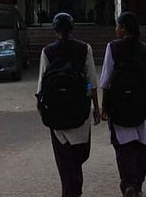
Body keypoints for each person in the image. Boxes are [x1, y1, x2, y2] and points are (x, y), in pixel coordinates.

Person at [37, 12, 101, 197]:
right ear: (72, 28)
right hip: (80, 109)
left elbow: (42, 83)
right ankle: (75, 189)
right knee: (79, 155)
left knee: (63, 158)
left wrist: (41, 108)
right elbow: (91, 81)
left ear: (55, 30)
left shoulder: (48, 51)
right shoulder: (84, 49)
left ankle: (70, 190)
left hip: (56, 112)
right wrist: (95, 107)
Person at [100, 11, 146, 197]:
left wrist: (103, 106)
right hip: (142, 105)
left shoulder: (113, 48)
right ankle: (138, 185)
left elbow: (105, 80)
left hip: (119, 106)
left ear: (124, 28)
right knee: (142, 147)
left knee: (123, 147)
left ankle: (128, 184)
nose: (116, 29)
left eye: (118, 26)